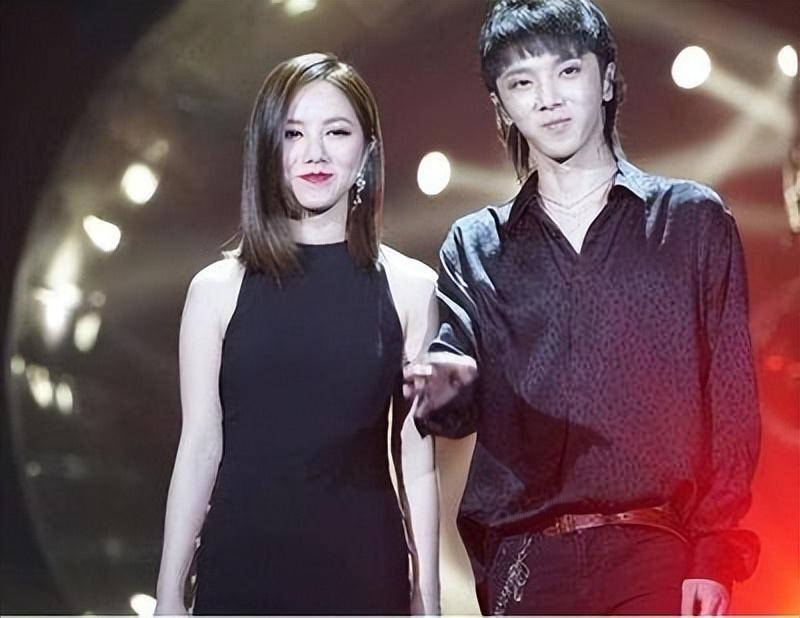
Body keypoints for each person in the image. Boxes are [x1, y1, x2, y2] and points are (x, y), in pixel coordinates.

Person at [406, 0, 760, 614]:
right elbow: (454, 401)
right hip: (527, 563)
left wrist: (714, 554)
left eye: (567, 71)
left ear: (608, 78)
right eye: (522, 83)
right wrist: (441, 387)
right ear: (502, 108)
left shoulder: (690, 221)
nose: (548, 99)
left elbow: (730, 398)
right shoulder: (476, 245)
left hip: (657, 552)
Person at [155, 52, 440, 615]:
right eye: (292, 134)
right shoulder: (215, 291)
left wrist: (427, 598)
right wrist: (168, 592)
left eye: (337, 132)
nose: (315, 153)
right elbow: (200, 446)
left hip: (363, 570)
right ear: (268, 148)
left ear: (368, 150)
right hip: (241, 568)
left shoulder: (412, 288)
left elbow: (417, 456)